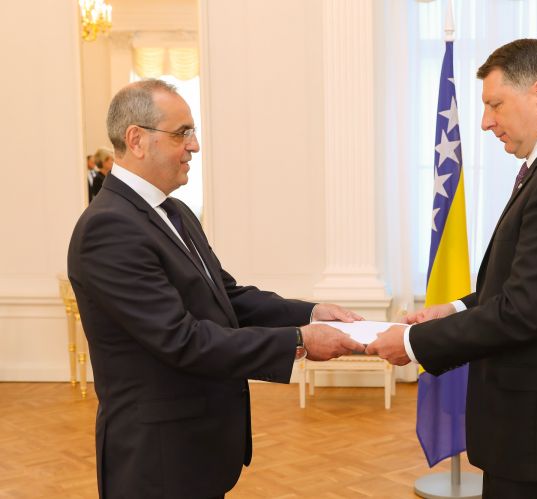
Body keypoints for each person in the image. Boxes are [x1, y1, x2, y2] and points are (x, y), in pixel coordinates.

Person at [68, 79, 365, 499]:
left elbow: (226, 297)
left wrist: (311, 313)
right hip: (157, 459)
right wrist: (299, 341)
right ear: (136, 140)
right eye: (182, 133)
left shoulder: (176, 211)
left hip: (196, 448)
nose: (194, 146)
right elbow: (181, 339)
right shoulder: (109, 227)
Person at [367, 39, 537, 498]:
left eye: (495, 104)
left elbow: (522, 312)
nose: (486, 122)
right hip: (533, 426)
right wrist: (451, 309)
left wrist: (411, 343)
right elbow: (527, 286)